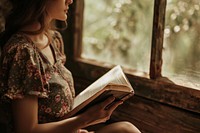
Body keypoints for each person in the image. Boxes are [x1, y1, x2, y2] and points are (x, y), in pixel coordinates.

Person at [0, 0, 141, 133]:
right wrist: (86, 118)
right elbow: (27, 131)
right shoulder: (23, 52)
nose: (70, 1)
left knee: (125, 129)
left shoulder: (54, 40)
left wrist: (88, 116)